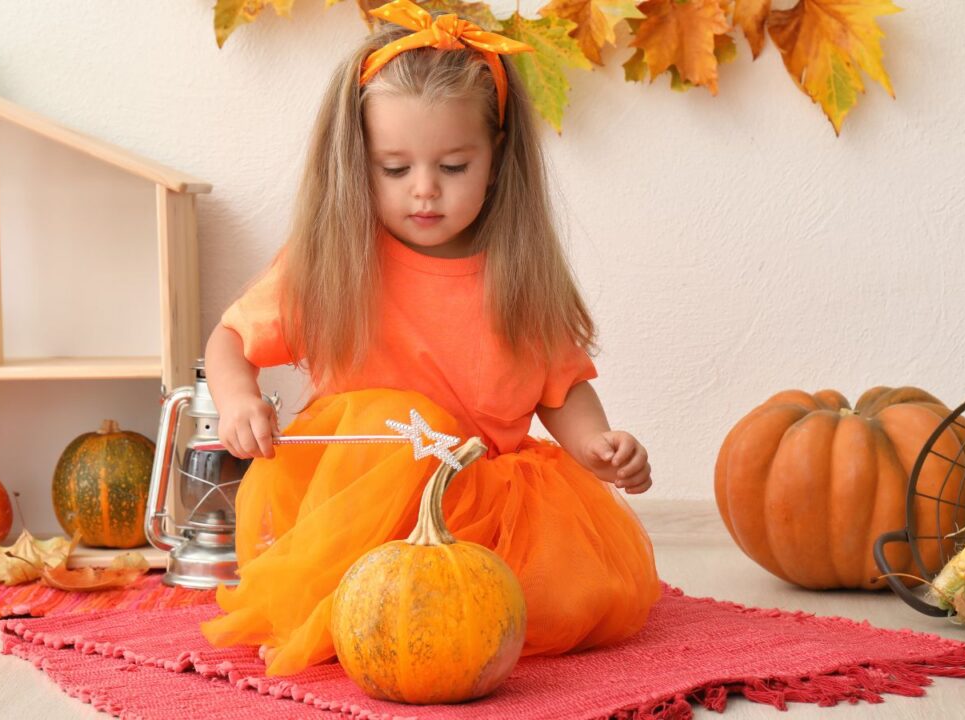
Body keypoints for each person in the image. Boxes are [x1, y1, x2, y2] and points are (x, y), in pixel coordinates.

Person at [200, 0, 660, 677]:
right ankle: (341, 612)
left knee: (560, 600)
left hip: (480, 506)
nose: (424, 192)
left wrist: (598, 445)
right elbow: (231, 339)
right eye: (395, 169)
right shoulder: (337, 257)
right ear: (357, 160)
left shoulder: (516, 272)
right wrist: (238, 400)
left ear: (497, 159)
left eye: (452, 167)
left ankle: (430, 618)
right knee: (393, 422)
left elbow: (559, 387)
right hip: (358, 505)